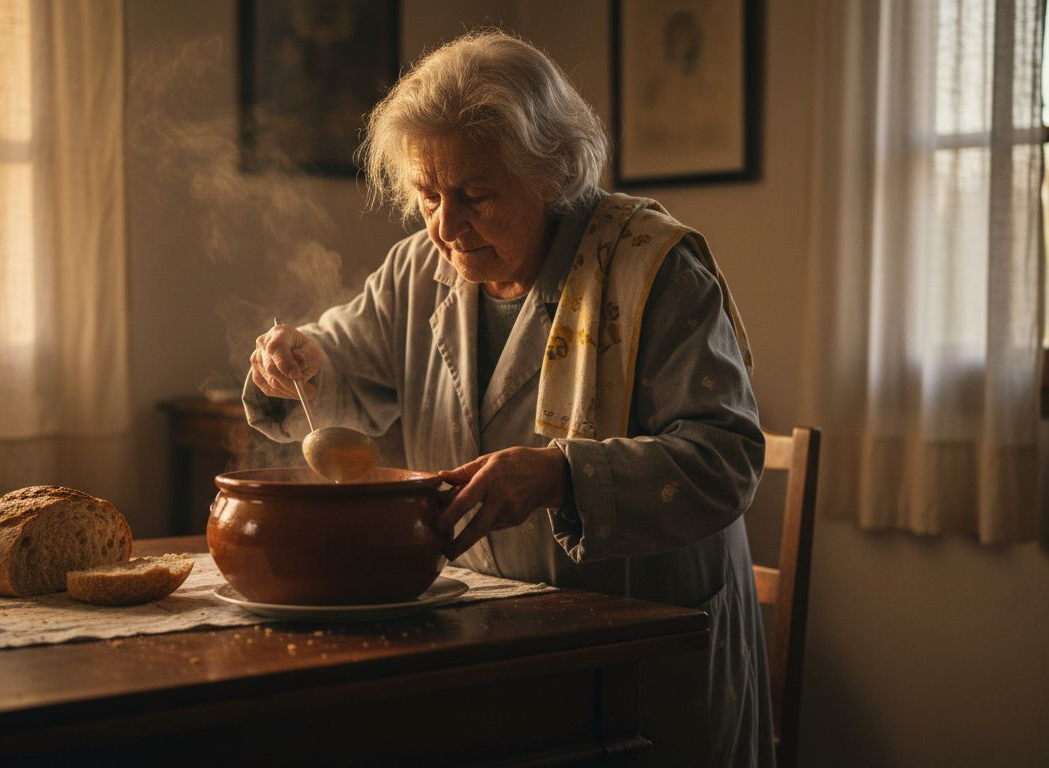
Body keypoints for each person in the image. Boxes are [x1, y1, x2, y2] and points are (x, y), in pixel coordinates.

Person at [245, 30, 773, 767]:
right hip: (485, 649)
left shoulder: (657, 268)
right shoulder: (419, 267)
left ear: (552, 172)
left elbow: (726, 460)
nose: (445, 225)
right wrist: (298, 360)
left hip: (642, 660)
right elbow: (341, 373)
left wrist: (563, 474)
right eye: (428, 194)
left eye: (475, 196)